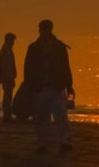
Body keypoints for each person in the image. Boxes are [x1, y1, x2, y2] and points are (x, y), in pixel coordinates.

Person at [24, 19, 75, 154]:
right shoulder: (33, 48)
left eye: (47, 28)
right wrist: (29, 87)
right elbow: (28, 69)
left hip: (56, 87)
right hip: (40, 88)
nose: (45, 31)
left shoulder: (59, 47)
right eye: (43, 29)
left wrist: (69, 86)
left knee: (61, 116)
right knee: (41, 117)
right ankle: (42, 143)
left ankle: (64, 141)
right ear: (39, 30)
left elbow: (65, 67)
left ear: (50, 29)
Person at [0, 32, 17, 123]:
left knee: (8, 96)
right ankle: (7, 116)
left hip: (8, 76)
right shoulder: (5, 50)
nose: (13, 42)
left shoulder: (7, 49)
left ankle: (7, 115)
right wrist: (9, 76)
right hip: (7, 77)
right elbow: (4, 65)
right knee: (7, 96)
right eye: (12, 40)